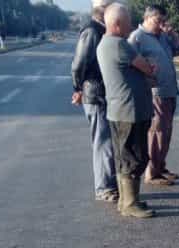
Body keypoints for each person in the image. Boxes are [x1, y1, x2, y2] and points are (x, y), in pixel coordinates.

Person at [97, 3, 157, 218]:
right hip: (130, 112)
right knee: (135, 157)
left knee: (124, 157)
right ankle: (130, 203)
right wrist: (150, 67)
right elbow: (148, 69)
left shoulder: (104, 43)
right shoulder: (121, 45)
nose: (132, 24)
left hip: (118, 110)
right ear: (117, 24)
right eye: (128, 21)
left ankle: (126, 200)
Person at [128, 5, 179, 186]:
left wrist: (172, 34)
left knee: (166, 132)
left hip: (169, 91)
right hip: (154, 93)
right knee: (157, 133)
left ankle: (160, 167)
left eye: (164, 21)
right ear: (147, 18)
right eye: (158, 21)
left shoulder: (162, 36)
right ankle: (152, 173)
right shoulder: (137, 38)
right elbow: (128, 63)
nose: (162, 25)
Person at [71, 0, 118, 203]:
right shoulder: (92, 31)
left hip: (103, 93)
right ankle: (104, 187)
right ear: (103, 11)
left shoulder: (101, 29)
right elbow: (78, 64)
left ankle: (110, 183)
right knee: (103, 142)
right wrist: (78, 88)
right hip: (95, 93)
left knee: (108, 141)